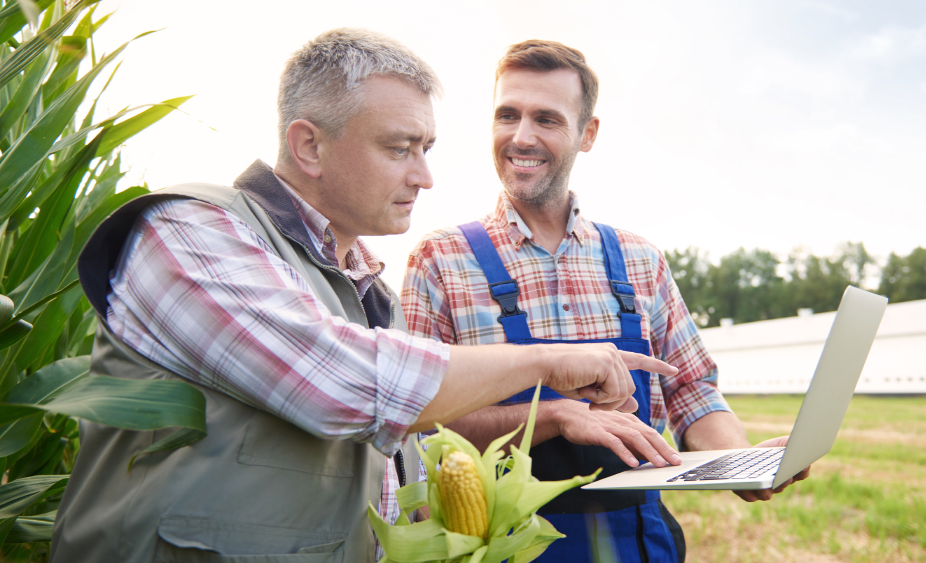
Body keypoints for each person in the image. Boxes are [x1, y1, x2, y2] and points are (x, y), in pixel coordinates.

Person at [50, 29, 678, 563]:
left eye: (426, 149)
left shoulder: (368, 289)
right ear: (309, 146)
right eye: (399, 148)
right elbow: (344, 382)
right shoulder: (191, 232)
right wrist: (549, 364)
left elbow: (404, 462)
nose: (424, 176)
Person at [401, 39, 810, 563]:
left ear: (587, 133)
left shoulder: (640, 260)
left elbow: (691, 391)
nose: (521, 137)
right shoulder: (442, 260)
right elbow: (417, 421)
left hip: (638, 543)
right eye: (508, 115)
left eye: (546, 119)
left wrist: (738, 461)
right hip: (504, 547)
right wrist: (552, 416)